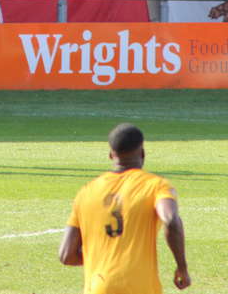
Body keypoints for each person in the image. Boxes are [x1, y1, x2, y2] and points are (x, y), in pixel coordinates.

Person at [59, 123, 191, 294]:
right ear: (143, 153)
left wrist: (101, 256)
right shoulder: (156, 186)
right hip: (139, 288)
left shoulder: (86, 192)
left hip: (98, 286)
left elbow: (66, 255)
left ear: (111, 155)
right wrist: (182, 267)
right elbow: (171, 221)